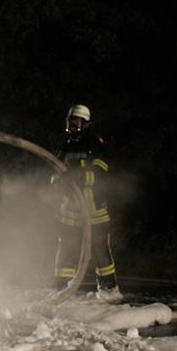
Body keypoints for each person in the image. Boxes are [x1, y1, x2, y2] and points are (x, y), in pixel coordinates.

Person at [51, 104, 121, 301]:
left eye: (77, 122)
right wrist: (58, 184)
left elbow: (101, 171)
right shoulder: (65, 144)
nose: (73, 126)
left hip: (94, 209)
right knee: (66, 249)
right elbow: (55, 171)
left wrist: (80, 177)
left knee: (100, 250)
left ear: (87, 123)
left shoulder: (95, 144)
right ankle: (61, 292)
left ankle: (109, 292)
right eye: (70, 122)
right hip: (70, 210)